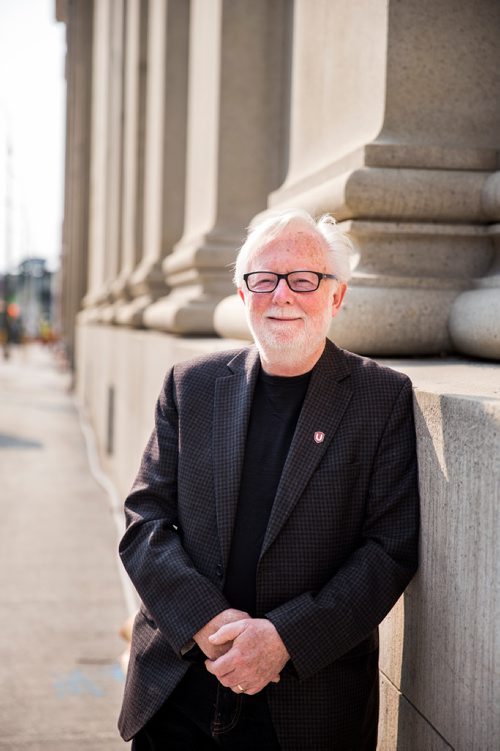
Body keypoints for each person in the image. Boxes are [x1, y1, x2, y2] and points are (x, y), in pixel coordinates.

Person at [118, 208, 420, 750]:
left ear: (337, 297)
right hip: (179, 687)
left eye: (304, 280)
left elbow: (388, 550)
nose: (282, 295)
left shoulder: (381, 397)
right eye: (264, 279)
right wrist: (206, 624)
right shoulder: (192, 386)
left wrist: (282, 640)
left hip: (305, 706)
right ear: (242, 296)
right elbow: (145, 521)